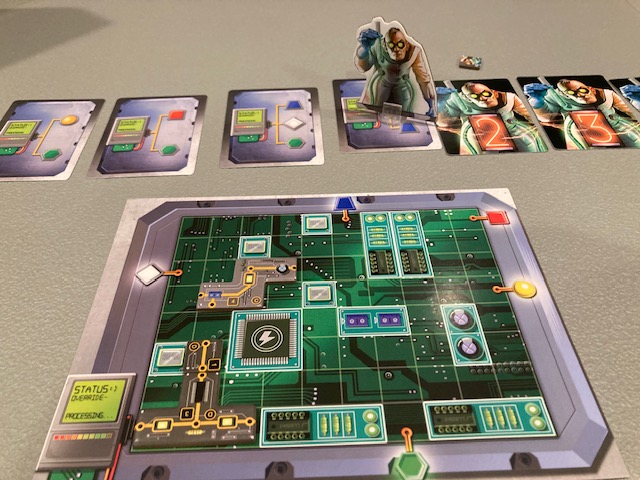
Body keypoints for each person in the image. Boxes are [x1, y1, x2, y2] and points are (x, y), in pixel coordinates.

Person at [523, 79, 640, 149]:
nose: (580, 95)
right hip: (580, 132)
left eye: (582, 90)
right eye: (572, 93)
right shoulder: (555, 97)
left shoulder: (607, 95)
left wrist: (637, 100)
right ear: (566, 95)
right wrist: (537, 101)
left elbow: (632, 113)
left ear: (591, 89)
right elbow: (546, 117)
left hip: (617, 128)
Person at [436, 82, 546, 155]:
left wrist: (537, 102)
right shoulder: (456, 100)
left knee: (532, 147)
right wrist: (440, 104)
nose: (483, 98)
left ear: (494, 93)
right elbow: (443, 123)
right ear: (468, 99)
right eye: (475, 96)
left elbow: (535, 118)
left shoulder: (509, 97)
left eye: (485, 93)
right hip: (476, 133)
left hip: (511, 130)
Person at [355, 23, 435, 117]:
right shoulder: (378, 46)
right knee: (376, 111)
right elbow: (363, 67)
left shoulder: (414, 52)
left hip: (402, 85)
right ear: (385, 46)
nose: (396, 49)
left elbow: (423, 79)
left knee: (405, 113)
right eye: (391, 45)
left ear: (407, 45)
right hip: (382, 83)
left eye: (400, 44)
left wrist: (430, 103)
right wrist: (364, 49)